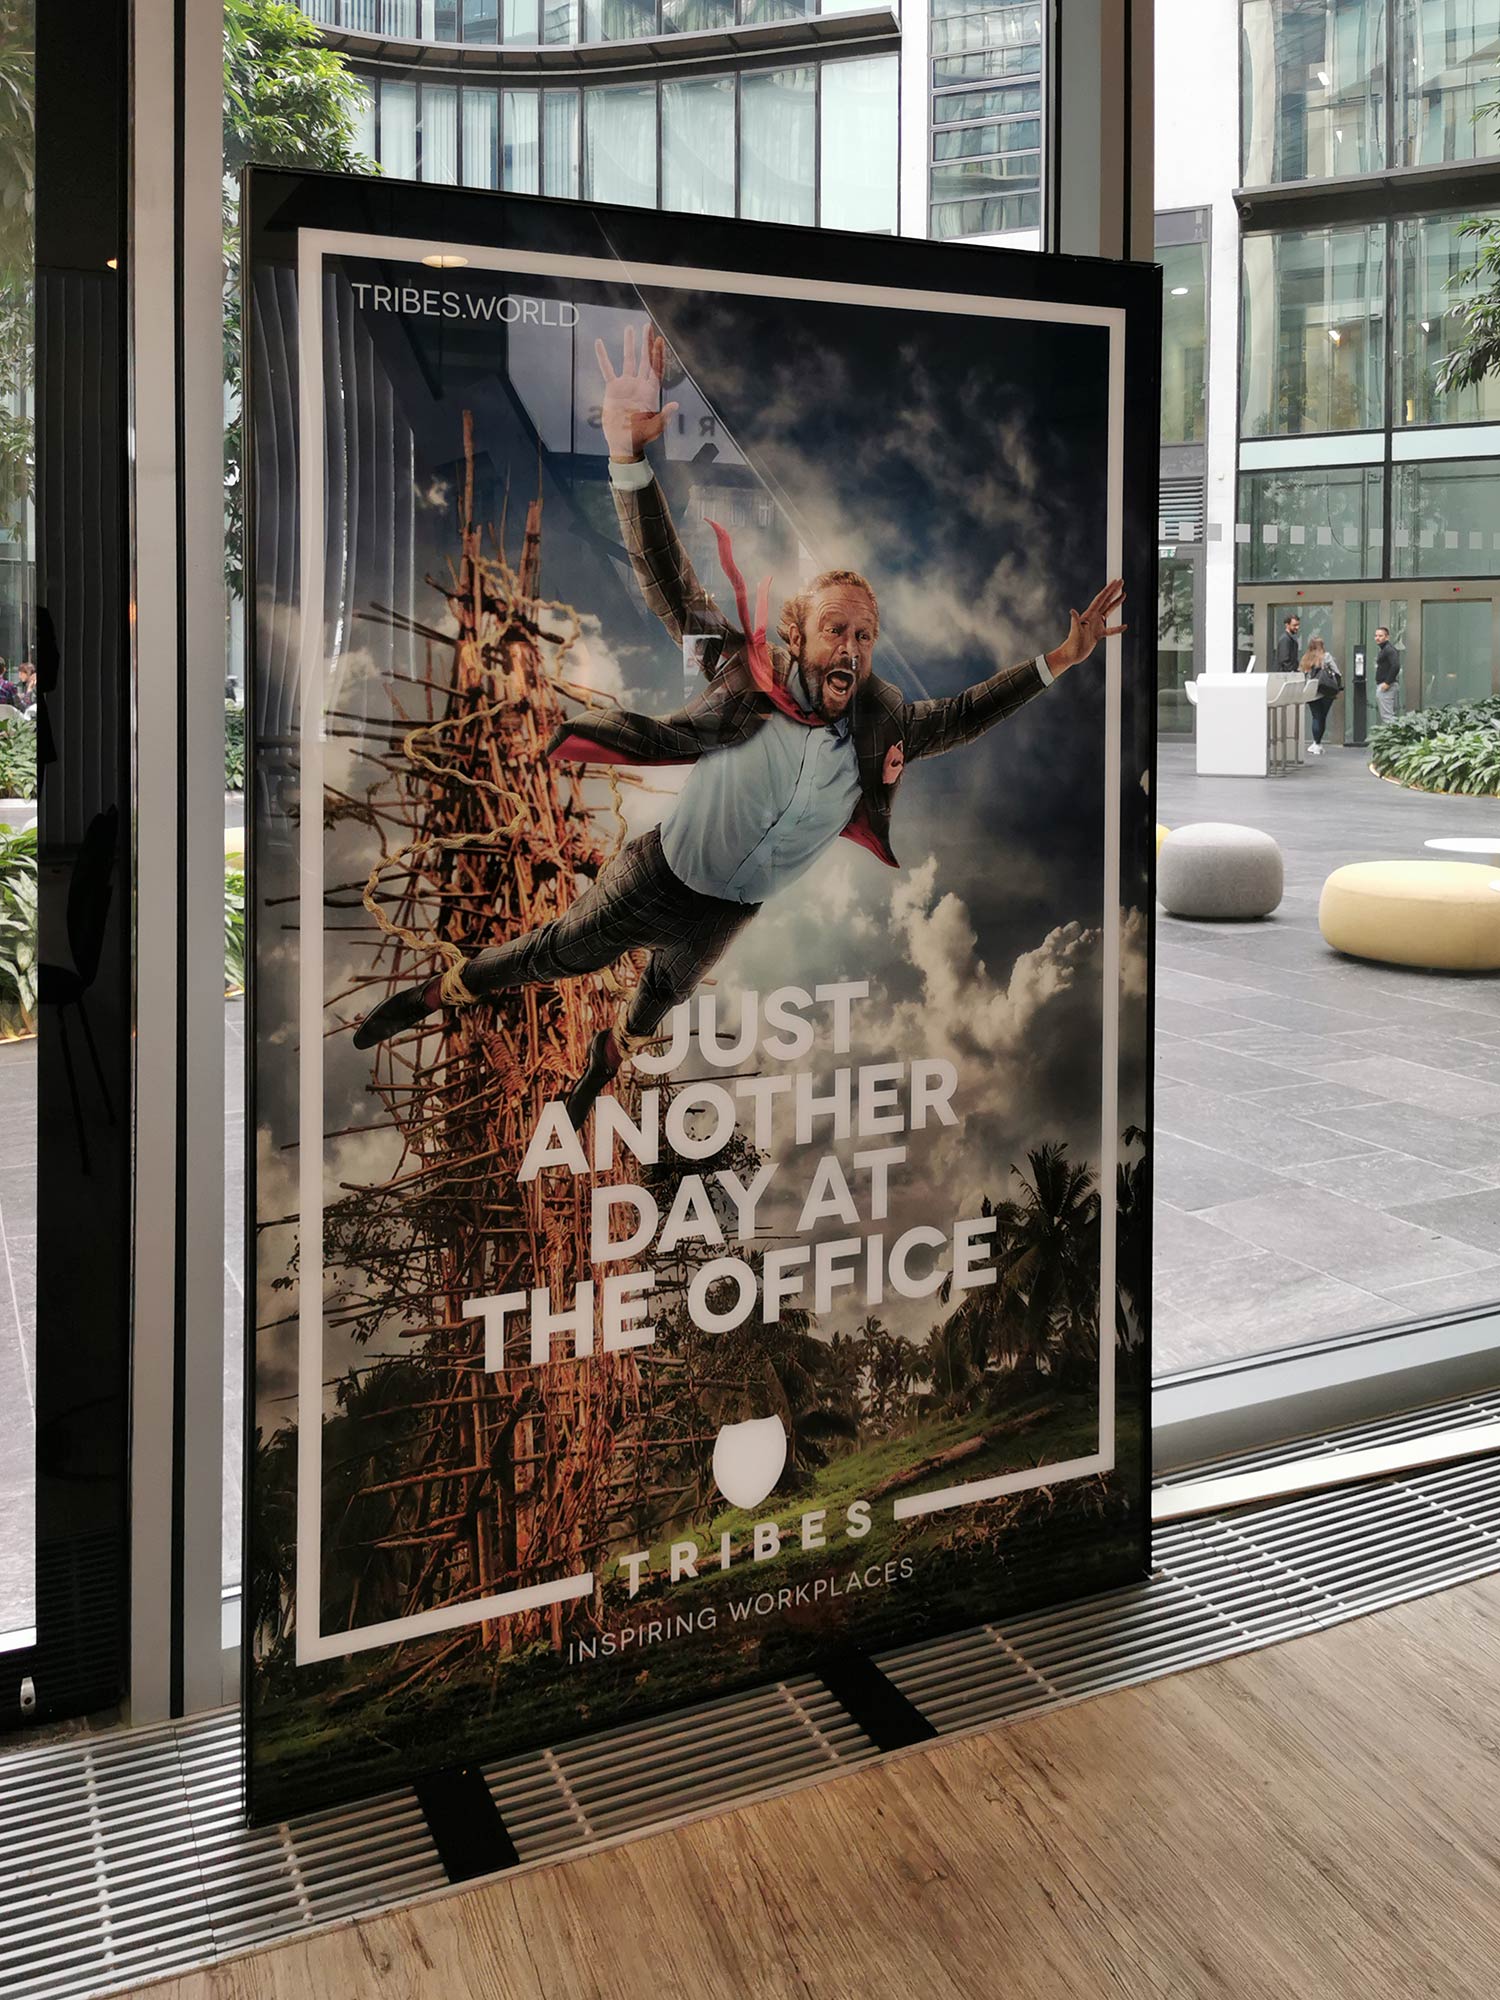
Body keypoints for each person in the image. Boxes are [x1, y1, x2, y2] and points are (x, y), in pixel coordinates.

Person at [354, 324, 1127, 1126]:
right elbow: (668, 584)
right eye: (837, 630)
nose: (853, 650)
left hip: (730, 910)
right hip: (659, 875)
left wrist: (1056, 662)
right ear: (797, 634)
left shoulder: (883, 721)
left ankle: (596, 1072)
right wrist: (627, 454)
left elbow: (966, 713)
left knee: (654, 1004)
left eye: (865, 637)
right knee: (552, 956)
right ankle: (428, 994)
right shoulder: (740, 670)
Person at [1301, 634, 1340, 756]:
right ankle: (1318, 743)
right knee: (1323, 717)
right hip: (1326, 690)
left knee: (1316, 717)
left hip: (1313, 691)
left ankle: (1316, 743)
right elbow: (1337, 672)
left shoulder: (1306, 658)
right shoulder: (1326, 656)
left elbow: (1303, 673)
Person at [1374, 626, 1402, 724]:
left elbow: (1396, 666)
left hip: (1386, 686)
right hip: (1384, 685)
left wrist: (1387, 683)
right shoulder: (1384, 649)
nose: (1377, 638)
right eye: (1376, 635)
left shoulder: (1389, 649)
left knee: (1387, 716)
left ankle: (1398, 736)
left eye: (1380, 636)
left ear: (1387, 637)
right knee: (1387, 716)